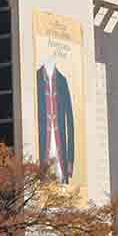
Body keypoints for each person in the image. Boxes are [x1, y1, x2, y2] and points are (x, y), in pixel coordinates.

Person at [35, 54, 75, 183]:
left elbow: (70, 121)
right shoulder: (35, 78)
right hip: (41, 146)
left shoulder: (62, 81)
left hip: (60, 148)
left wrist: (70, 160)